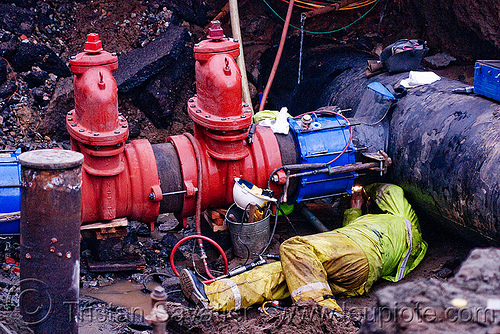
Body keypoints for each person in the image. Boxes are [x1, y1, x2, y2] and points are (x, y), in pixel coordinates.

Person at [179, 183, 427, 312]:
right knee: (280, 274)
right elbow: (350, 227)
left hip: (359, 252)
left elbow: (391, 190)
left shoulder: (402, 220)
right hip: (357, 273)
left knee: (295, 248)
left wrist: (365, 185)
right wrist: (355, 207)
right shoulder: (397, 242)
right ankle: (213, 297)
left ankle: (323, 313)